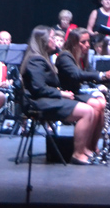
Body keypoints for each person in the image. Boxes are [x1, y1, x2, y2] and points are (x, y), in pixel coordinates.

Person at [20, 26, 97, 165]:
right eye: (52, 38)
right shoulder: (35, 60)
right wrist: (61, 93)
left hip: (45, 99)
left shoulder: (43, 58)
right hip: (37, 103)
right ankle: (78, 154)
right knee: (87, 111)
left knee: (90, 109)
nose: (55, 41)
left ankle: (84, 149)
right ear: (43, 40)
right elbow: (39, 89)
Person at [56, 28, 110, 157]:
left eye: (88, 42)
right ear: (74, 43)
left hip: (79, 92)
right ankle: (83, 147)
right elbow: (77, 74)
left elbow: (91, 74)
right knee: (96, 105)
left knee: (102, 103)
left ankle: (92, 145)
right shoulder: (65, 56)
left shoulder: (83, 56)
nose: (87, 45)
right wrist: (102, 75)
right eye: (83, 42)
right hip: (68, 94)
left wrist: (108, 76)